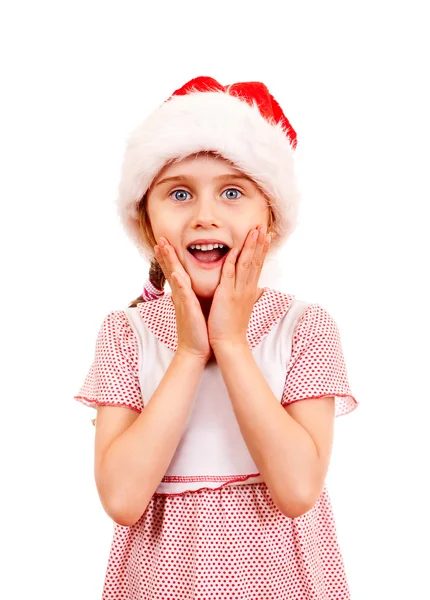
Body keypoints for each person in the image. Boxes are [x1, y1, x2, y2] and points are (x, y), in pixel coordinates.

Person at [74, 76, 359, 599]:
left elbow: (297, 490)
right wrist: (189, 351)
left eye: (232, 192)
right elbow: (122, 498)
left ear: (269, 219)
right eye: (179, 193)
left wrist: (230, 343)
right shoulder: (126, 333)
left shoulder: (304, 327)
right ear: (145, 225)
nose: (206, 215)